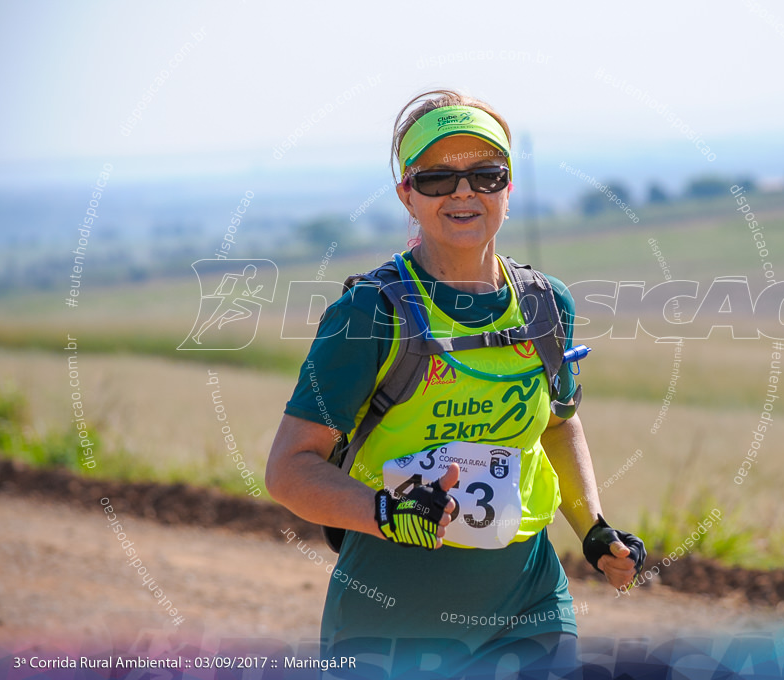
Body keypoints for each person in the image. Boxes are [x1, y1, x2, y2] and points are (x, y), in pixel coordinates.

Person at [265, 89, 646, 678]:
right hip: (389, 615)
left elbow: (558, 424)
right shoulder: (370, 312)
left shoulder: (546, 305)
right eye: (438, 179)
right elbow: (289, 470)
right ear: (407, 196)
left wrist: (594, 530)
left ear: (508, 188)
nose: (464, 192)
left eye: (486, 175)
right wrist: (387, 511)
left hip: (529, 604)